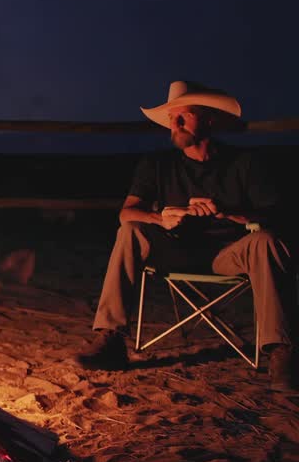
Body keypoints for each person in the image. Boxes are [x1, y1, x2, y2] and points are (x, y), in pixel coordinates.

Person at [74, 80, 294, 390]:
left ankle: (280, 350)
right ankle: (110, 339)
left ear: (208, 119)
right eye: (171, 118)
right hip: (174, 248)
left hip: (227, 253)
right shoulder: (157, 164)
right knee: (130, 230)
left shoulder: (244, 163)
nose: (174, 124)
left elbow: (274, 214)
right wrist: (161, 219)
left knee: (267, 240)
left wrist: (225, 212)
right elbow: (127, 212)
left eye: (184, 116)